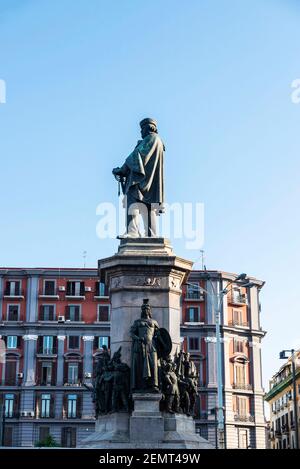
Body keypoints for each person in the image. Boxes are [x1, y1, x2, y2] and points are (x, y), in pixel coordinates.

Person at [112, 118, 165, 237]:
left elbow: (137, 155)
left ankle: (132, 232)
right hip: (150, 180)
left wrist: (122, 169)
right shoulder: (158, 141)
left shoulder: (151, 139)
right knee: (148, 206)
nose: (141, 132)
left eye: (142, 129)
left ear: (148, 128)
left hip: (140, 179)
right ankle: (152, 235)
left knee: (133, 202)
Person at [130, 299, 160, 392]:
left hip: (152, 346)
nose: (145, 310)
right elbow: (131, 333)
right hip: (140, 346)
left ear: (149, 310)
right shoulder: (137, 322)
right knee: (139, 365)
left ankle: (154, 385)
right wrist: (138, 338)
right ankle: (140, 385)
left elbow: (159, 333)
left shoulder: (154, 322)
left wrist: (157, 337)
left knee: (153, 365)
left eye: (147, 309)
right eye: (144, 309)